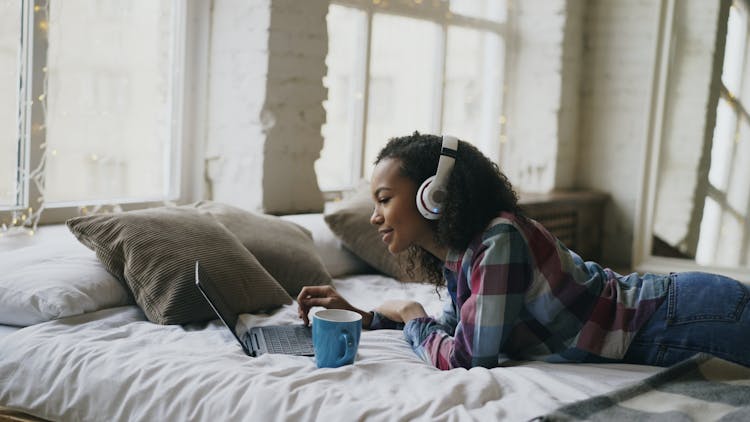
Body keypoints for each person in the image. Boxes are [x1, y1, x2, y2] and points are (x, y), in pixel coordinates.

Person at [297, 132, 750, 370]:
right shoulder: (461, 257)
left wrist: (412, 312)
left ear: (431, 196)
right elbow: (456, 333)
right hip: (667, 321)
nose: (375, 216)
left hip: (681, 313)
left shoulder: (499, 240)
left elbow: (468, 359)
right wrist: (364, 316)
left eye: (383, 199)